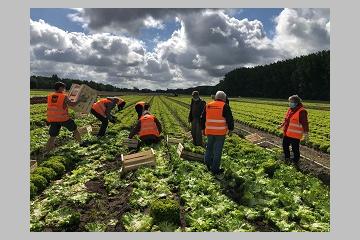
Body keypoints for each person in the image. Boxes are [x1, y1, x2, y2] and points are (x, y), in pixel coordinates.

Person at [45, 82, 86, 151]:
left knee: (52, 136)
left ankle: (47, 151)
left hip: (52, 119)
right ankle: (81, 143)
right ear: (60, 88)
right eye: (64, 88)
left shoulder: (50, 96)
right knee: (75, 129)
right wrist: (80, 100)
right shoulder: (63, 96)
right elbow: (72, 104)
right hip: (63, 118)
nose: (64, 89)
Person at [201, 91, 234, 174]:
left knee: (209, 148)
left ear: (215, 97)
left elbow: (202, 118)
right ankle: (215, 169)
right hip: (220, 133)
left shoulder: (208, 105)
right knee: (217, 151)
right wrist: (230, 129)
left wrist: (202, 129)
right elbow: (229, 119)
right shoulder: (225, 106)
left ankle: (207, 164)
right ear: (224, 98)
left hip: (209, 131)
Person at [277, 94, 309, 166]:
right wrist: (281, 126)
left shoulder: (302, 111)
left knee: (295, 149)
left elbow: (305, 123)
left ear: (296, 102)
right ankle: (287, 158)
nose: (290, 103)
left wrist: (306, 134)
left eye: (291, 102)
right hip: (287, 133)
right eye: (289, 102)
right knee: (285, 146)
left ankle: (296, 161)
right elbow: (286, 120)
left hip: (295, 135)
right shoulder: (290, 109)